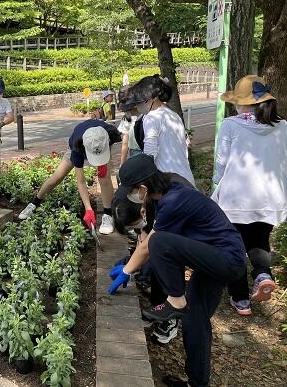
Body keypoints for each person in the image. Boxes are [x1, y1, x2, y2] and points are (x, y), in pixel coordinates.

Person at [109, 154, 246, 387]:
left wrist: (128, 270)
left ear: (142, 188)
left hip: (226, 259)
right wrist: (130, 265)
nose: (132, 196)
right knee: (195, 322)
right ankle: (197, 383)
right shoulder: (163, 195)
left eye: (132, 190)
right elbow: (150, 244)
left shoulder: (175, 200)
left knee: (159, 242)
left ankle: (175, 300)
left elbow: (153, 245)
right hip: (211, 263)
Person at [211, 75, 287, 316]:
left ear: (242, 103)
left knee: (234, 247)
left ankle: (240, 299)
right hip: (269, 198)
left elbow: (221, 163)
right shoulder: (282, 126)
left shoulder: (231, 125)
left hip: (236, 199)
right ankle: (263, 274)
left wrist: (216, 188)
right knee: (259, 240)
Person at [18, 119, 122, 235]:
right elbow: (81, 181)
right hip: (79, 145)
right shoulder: (77, 147)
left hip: (101, 145)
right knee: (57, 177)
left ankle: (108, 215)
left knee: (104, 177)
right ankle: (34, 203)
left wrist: (103, 164)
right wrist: (88, 209)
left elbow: (108, 147)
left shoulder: (110, 133)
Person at [123, 75, 195, 187]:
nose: (138, 105)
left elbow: (149, 155)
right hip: (185, 177)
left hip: (169, 181)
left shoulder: (151, 117)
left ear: (153, 98)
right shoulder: (172, 114)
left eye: (141, 101)